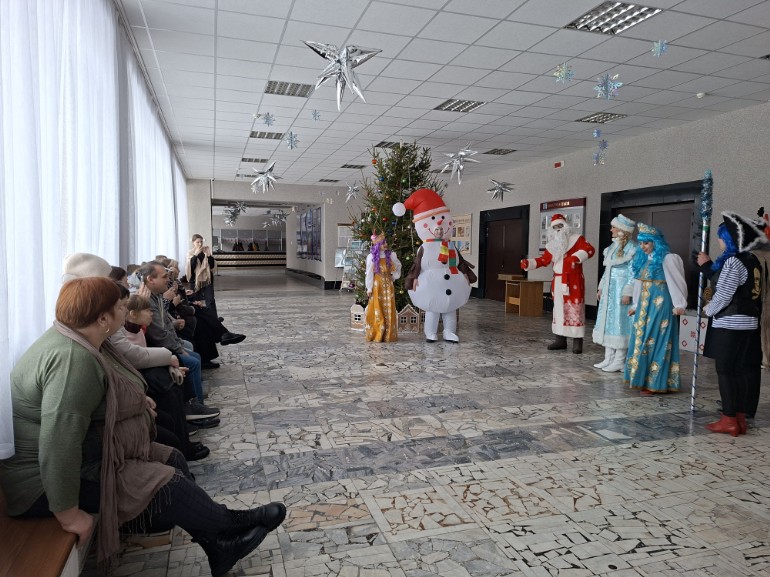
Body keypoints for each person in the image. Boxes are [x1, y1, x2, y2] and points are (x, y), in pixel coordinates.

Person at [0, 277, 285, 577]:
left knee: (173, 457)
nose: (125, 312)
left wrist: (137, 404)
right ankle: (230, 524)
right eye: (120, 307)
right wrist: (69, 515)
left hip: (89, 457)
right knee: (165, 485)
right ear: (102, 319)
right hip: (41, 487)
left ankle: (217, 541)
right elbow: (59, 445)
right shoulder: (72, 361)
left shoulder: (79, 341)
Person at [696, 212, 763, 436]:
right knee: (738, 371)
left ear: (729, 239)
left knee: (725, 370)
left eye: (721, 237)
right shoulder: (752, 260)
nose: (718, 240)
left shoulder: (734, 262)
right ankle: (739, 417)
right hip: (749, 322)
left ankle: (729, 419)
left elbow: (724, 295)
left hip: (731, 323)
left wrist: (707, 310)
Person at [394, 188, 477, 343]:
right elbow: (417, 264)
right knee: (433, 309)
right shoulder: (425, 247)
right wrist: (413, 279)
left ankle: (449, 332)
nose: (439, 229)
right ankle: (430, 332)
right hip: (432, 284)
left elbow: (460, 262)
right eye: (436, 226)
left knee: (451, 309)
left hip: (452, 282)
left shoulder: (450, 245)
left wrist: (466, 274)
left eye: (442, 221)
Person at [624, 223, 687, 395]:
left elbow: (677, 282)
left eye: (646, 243)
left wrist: (679, 304)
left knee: (657, 340)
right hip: (644, 307)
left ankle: (655, 381)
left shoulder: (668, 259)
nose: (643, 247)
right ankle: (641, 378)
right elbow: (639, 285)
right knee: (641, 338)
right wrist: (635, 305)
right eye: (641, 243)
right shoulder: (643, 260)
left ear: (655, 242)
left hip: (660, 306)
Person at [521, 213, 596, 354]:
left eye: (560, 226)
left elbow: (590, 249)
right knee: (559, 309)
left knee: (574, 309)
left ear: (566, 226)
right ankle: (560, 339)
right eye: (555, 227)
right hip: (558, 281)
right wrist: (529, 263)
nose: (558, 229)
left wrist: (576, 257)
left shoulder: (577, 239)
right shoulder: (552, 245)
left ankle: (577, 342)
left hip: (573, 280)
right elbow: (544, 260)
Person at [593, 214, 637, 372]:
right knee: (608, 322)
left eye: (614, 227)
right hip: (609, 291)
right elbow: (607, 270)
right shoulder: (612, 247)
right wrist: (601, 287)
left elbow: (633, 272)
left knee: (620, 322)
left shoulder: (632, 248)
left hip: (620, 289)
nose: (611, 230)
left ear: (622, 230)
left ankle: (619, 360)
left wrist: (628, 292)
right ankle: (608, 358)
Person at [364, 232, 402, 342]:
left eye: (385, 242)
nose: (385, 245)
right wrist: (369, 287)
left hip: (388, 285)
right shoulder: (371, 257)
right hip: (377, 285)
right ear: (377, 245)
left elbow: (398, 266)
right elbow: (369, 273)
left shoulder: (391, 255)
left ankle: (388, 334)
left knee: (389, 306)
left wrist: (393, 276)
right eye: (382, 243)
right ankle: (378, 333)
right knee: (377, 307)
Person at [188, 234, 219, 314]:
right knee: (196, 301)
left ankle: (213, 318)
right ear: (193, 243)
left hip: (207, 280)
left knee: (210, 300)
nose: (200, 244)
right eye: (197, 242)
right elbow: (190, 267)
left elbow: (212, 266)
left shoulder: (205, 252)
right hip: (195, 280)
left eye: (201, 242)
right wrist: (195, 255)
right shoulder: (190, 253)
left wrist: (209, 255)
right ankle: (200, 319)